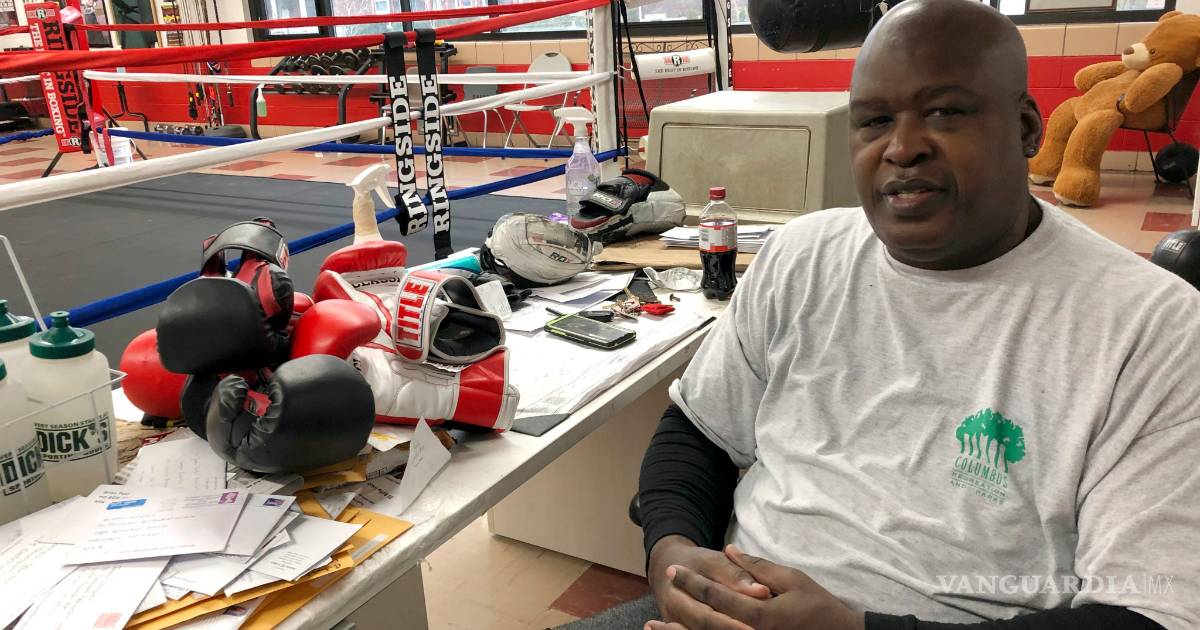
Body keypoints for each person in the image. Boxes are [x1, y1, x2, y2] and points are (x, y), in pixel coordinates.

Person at [617, 0, 1200, 629]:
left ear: (1027, 127)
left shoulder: (1152, 328)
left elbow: (1150, 615)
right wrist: (672, 556)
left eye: (945, 112)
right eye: (874, 121)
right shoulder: (801, 256)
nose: (901, 149)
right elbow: (699, 430)